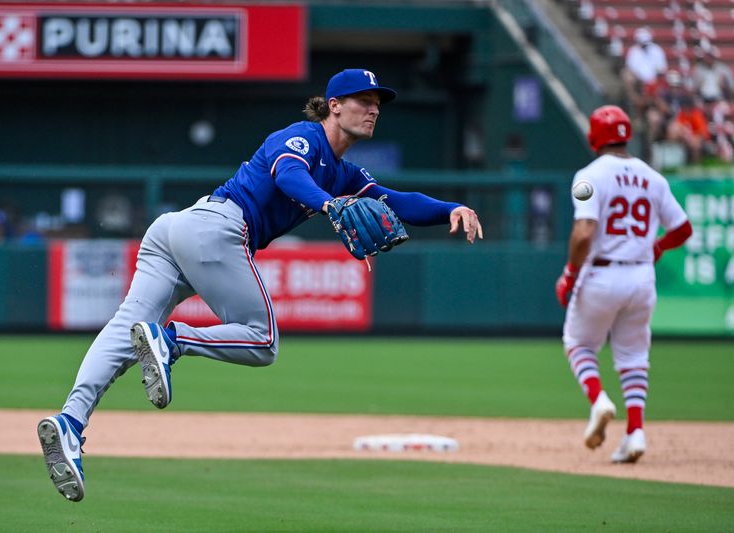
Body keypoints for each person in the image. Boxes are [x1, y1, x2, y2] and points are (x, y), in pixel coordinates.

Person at [36, 68, 484, 502]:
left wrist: (450, 208)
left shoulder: (345, 173)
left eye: (377, 104)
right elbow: (288, 176)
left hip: (177, 230)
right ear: (333, 106)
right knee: (262, 338)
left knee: (122, 331)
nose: (373, 110)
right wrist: (331, 207)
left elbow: (396, 200)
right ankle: (171, 343)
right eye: (363, 102)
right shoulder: (303, 137)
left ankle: (71, 423)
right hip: (217, 226)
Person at [555, 105, 692, 464]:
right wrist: (658, 245)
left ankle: (599, 400)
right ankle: (635, 433)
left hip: (601, 273)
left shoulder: (588, 176)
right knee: (634, 357)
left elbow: (584, 231)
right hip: (642, 275)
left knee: (578, 343)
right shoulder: (653, 177)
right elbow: (683, 228)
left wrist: (569, 273)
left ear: (595, 137)